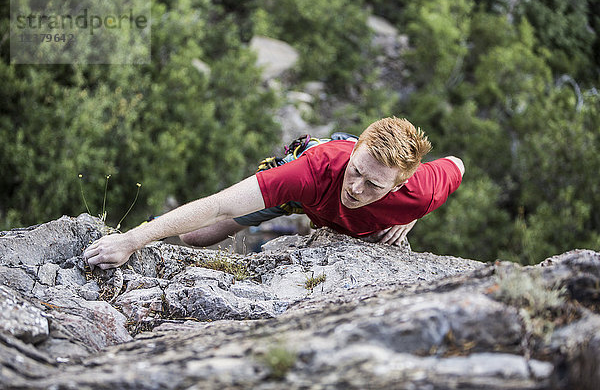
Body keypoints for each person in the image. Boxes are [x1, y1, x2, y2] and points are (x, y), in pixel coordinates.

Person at [84, 117, 464, 270]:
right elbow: (220, 205)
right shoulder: (314, 170)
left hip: (338, 200)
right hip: (305, 192)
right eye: (356, 171)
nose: (355, 188)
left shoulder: (420, 192)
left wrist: (411, 216)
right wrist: (132, 239)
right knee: (195, 236)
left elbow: (458, 165)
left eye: (373, 185)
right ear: (354, 152)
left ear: (398, 185)